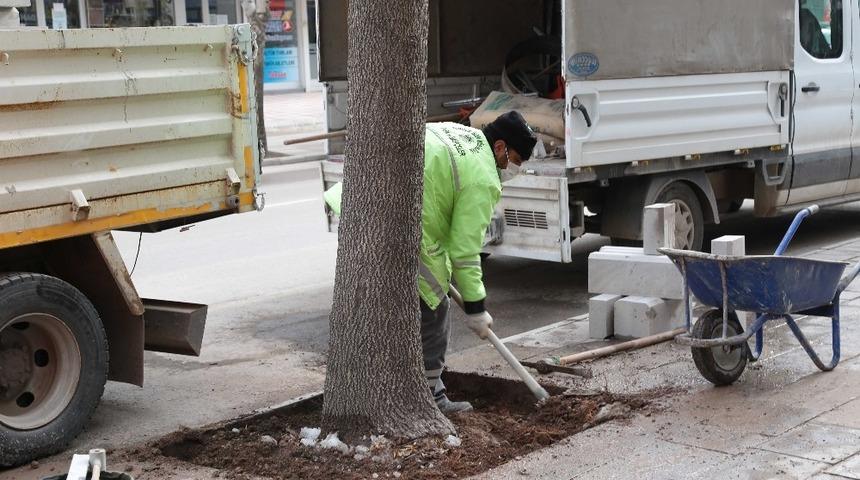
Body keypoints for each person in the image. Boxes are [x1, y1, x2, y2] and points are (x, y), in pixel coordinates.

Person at [324, 111, 538, 413]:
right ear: (501, 147)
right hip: (393, 224)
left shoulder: (459, 133)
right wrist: (476, 307)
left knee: (397, 305)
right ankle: (430, 398)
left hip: (355, 202)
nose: (514, 168)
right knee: (435, 305)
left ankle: (384, 386)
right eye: (515, 159)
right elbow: (464, 250)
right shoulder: (483, 178)